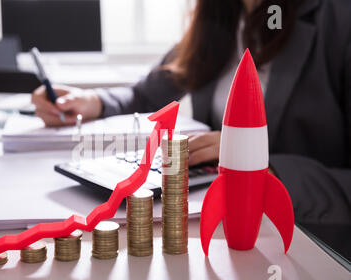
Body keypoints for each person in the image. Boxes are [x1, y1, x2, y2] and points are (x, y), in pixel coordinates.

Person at [31, 0, 351, 226]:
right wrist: (94, 101)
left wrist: (262, 169)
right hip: (217, 221)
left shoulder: (338, 19)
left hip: (309, 234)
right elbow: (145, 92)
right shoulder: (221, 18)